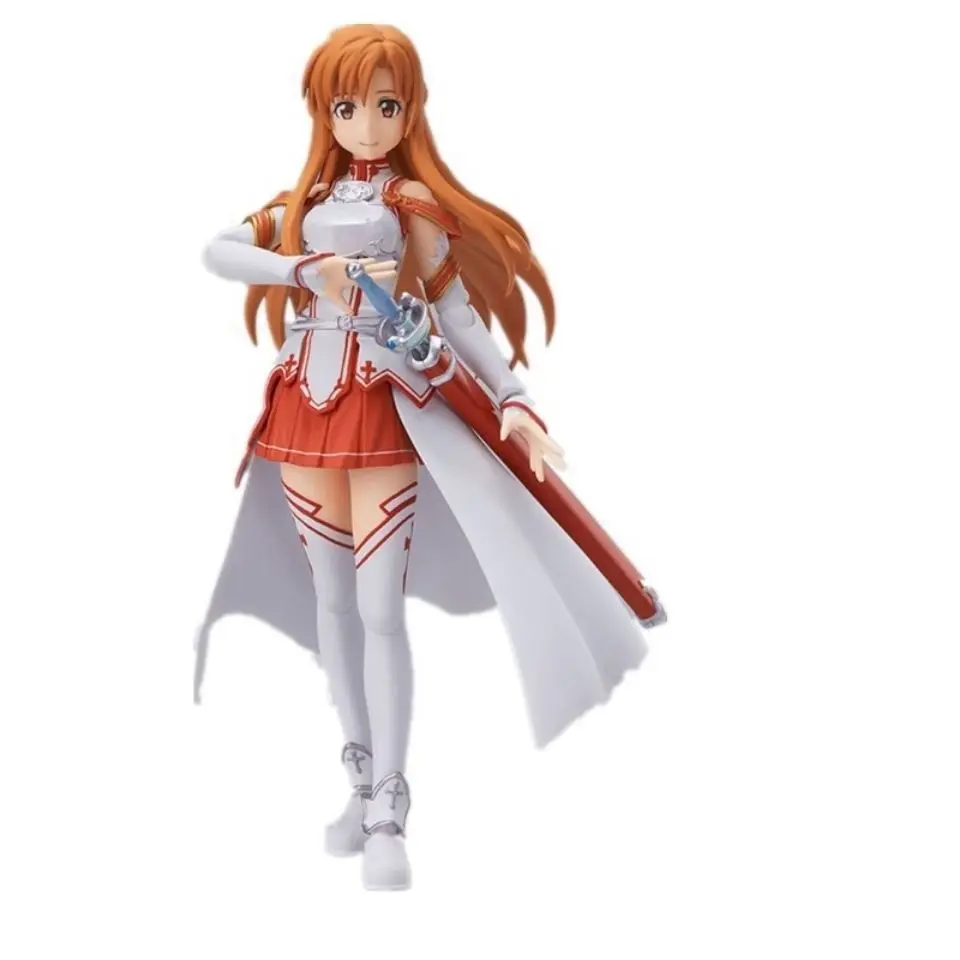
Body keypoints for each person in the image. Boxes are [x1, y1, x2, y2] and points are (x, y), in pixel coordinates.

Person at [199, 23, 653, 892]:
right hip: (304, 407)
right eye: (348, 107)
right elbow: (217, 251)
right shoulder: (300, 205)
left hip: (382, 406)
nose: (368, 126)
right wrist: (303, 272)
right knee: (332, 603)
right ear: (323, 112)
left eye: (386, 105)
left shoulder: (409, 204)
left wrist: (513, 397)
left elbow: (455, 312)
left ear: (410, 110)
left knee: (378, 608)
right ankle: (359, 778)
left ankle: (390, 809)